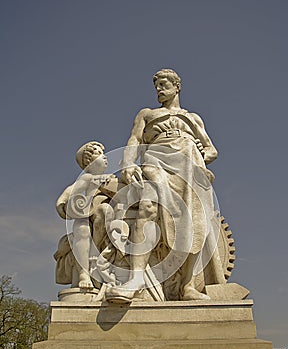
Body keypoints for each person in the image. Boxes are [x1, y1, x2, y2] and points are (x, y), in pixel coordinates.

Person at [106, 68, 226, 302]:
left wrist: (203, 154)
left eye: (163, 84)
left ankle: (188, 286)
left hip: (190, 165)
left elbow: (211, 149)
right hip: (156, 160)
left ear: (176, 86)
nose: (159, 89)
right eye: (157, 86)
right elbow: (135, 139)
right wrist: (128, 163)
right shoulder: (147, 114)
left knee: (194, 220)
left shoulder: (193, 118)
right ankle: (136, 280)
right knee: (148, 207)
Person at [55, 141, 114, 289]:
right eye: (99, 154)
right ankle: (83, 272)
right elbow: (71, 190)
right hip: (86, 215)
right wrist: (61, 203)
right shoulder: (87, 178)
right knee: (82, 228)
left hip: (102, 218)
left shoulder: (111, 178)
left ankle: (94, 254)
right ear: (88, 162)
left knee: (106, 210)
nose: (105, 157)